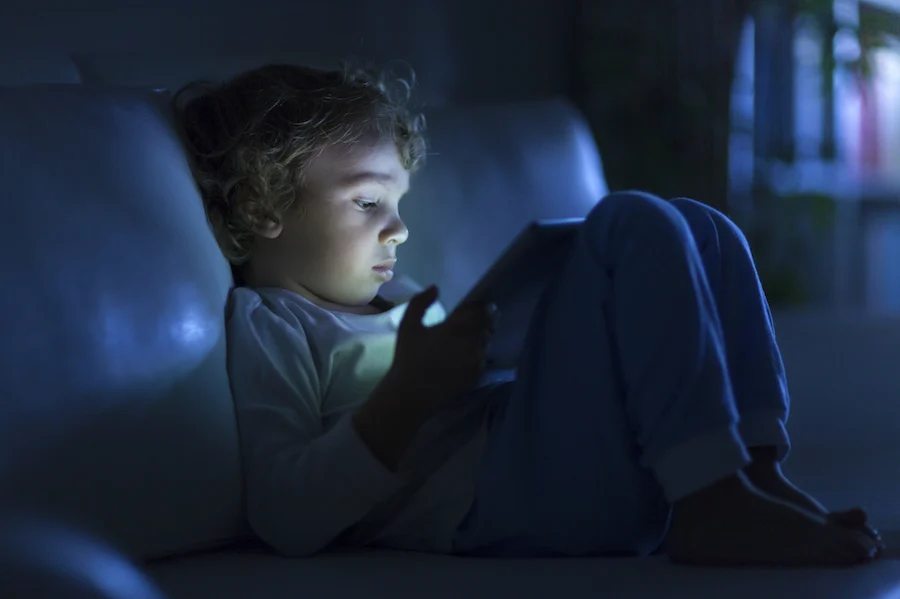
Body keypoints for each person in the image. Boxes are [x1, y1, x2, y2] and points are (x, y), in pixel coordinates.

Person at [174, 62, 884, 566]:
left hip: (539, 450)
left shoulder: (398, 292)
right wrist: (407, 394)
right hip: (502, 500)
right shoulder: (271, 323)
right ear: (265, 206)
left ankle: (751, 471)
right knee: (628, 221)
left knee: (701, 225)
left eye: (398, 204)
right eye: (367, 203)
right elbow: (285, 516)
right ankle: (710, 502)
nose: (398, 229)